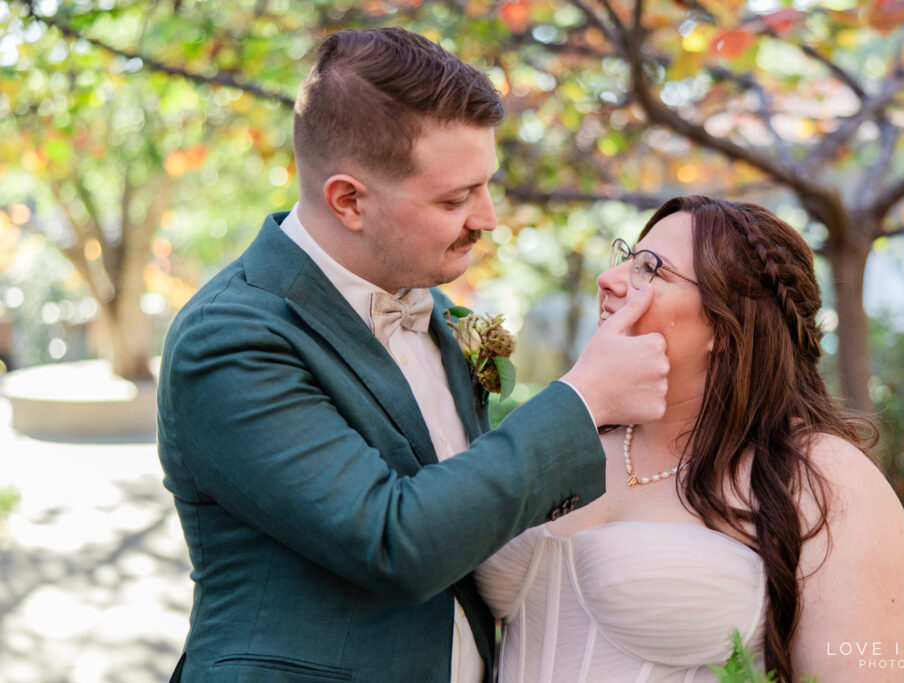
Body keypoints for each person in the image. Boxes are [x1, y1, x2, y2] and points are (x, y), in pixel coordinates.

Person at [157, 28, 671, 682]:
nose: (488, 217)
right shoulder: (230, 337)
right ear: (349, 200)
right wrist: (586, 397)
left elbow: (475, 502)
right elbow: (396, 541)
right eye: (455, 198)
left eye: (486, 185)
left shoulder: (436, 310)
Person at [475, 195, 904, 682]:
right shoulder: (568, 439)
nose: (610, 279)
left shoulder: (824, 480)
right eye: (626, 256)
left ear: (726, 325)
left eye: (651, 269)